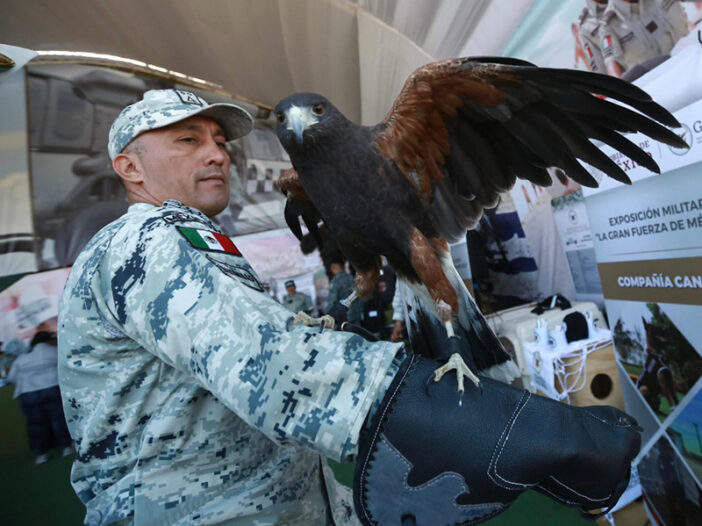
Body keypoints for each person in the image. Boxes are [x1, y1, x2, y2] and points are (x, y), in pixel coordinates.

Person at [59, 89, 641, 526]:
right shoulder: (146, 242)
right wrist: (505, 426)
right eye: (189, 141)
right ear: (130, 168)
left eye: (218, 141)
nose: (216, 154)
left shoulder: (184, 240)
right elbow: (272, 364)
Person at [7, 331, 73, 464]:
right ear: (48, 340)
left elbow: (11, 377)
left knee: (35, 424)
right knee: (59, 419)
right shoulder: (54, 351)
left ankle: (41, 454)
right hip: (52, 387)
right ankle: (67, 447)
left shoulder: (22, 357)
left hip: (28, 392)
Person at [326, 259, 363, 325]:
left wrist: (327, 315)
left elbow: (332, 302)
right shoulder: (352, 278)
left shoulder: (335, 282)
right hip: (356, 315)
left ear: (333, 267)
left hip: (343, 318)